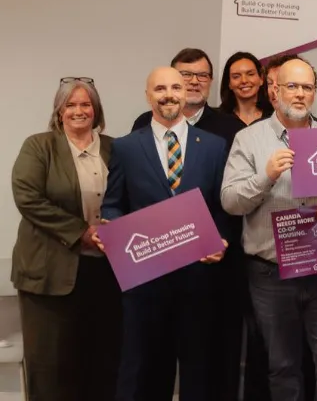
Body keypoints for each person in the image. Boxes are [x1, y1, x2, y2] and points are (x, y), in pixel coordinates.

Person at [221, 57, 317, 401]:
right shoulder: (248, 139)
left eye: (307, 88)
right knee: (282, 366)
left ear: (315, 93)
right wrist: (265, 176)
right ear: (274, 89)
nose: (299, 95)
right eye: (292, 86)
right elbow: (231, 202)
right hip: (271, 274)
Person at [99, 67, 230, 400]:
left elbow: (224, 205)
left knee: (198, 370)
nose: (168, 94)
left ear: (185, 92)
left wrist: (222, 240)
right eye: (160, 88)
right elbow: (113, 204)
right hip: (146, 282)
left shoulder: (215, 146)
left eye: (175, 87)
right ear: (148, 96)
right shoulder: (127, 147)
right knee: (144, 370)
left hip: (198, 279)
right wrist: (114, 229)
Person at [10, 77, 122, 401]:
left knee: (102, 361)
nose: (78, 111)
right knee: (51, 367)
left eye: (85, 104)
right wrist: (82, 233)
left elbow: (134, 197)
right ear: (59, 112)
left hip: (106, 273)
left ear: (96, 109)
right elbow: (27, 197)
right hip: (49, 275)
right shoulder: (39, 146)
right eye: (70, 105)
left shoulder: (116, 148)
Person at [131, 48, 247, 144]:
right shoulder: (145, 122)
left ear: (211, 81)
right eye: (186, 75)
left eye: (202, 75)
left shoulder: (232, 128)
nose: (194, 81)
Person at [219, 50, 274, 125]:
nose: (244, 81)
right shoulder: (218, 118)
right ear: (229, 83)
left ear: (261, 79)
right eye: (236, 76)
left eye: (250, 74)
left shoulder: (275, 116)